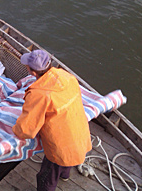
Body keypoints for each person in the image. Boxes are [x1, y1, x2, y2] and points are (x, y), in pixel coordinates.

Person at [12, 49, 92, 191]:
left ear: (33, 72)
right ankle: (65, 175)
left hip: (61, 147)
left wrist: (15, 129)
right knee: (67, 161)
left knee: (46, 176)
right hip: (81, 136)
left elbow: (26, 130)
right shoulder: (65, 76)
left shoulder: (39, 95)